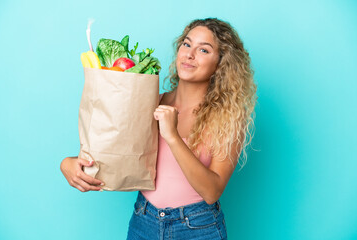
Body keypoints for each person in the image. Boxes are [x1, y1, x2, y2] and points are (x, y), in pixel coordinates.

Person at [60, 17, 257, 239]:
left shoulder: (227, 119)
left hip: (197, 228)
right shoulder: (150, 103)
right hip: (144, 220)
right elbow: (112, 151)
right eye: (187, 44)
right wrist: (69, 164)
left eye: (204, 50)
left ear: (221, 64)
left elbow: (212, 192)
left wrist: (172, 136)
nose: (189, 54)